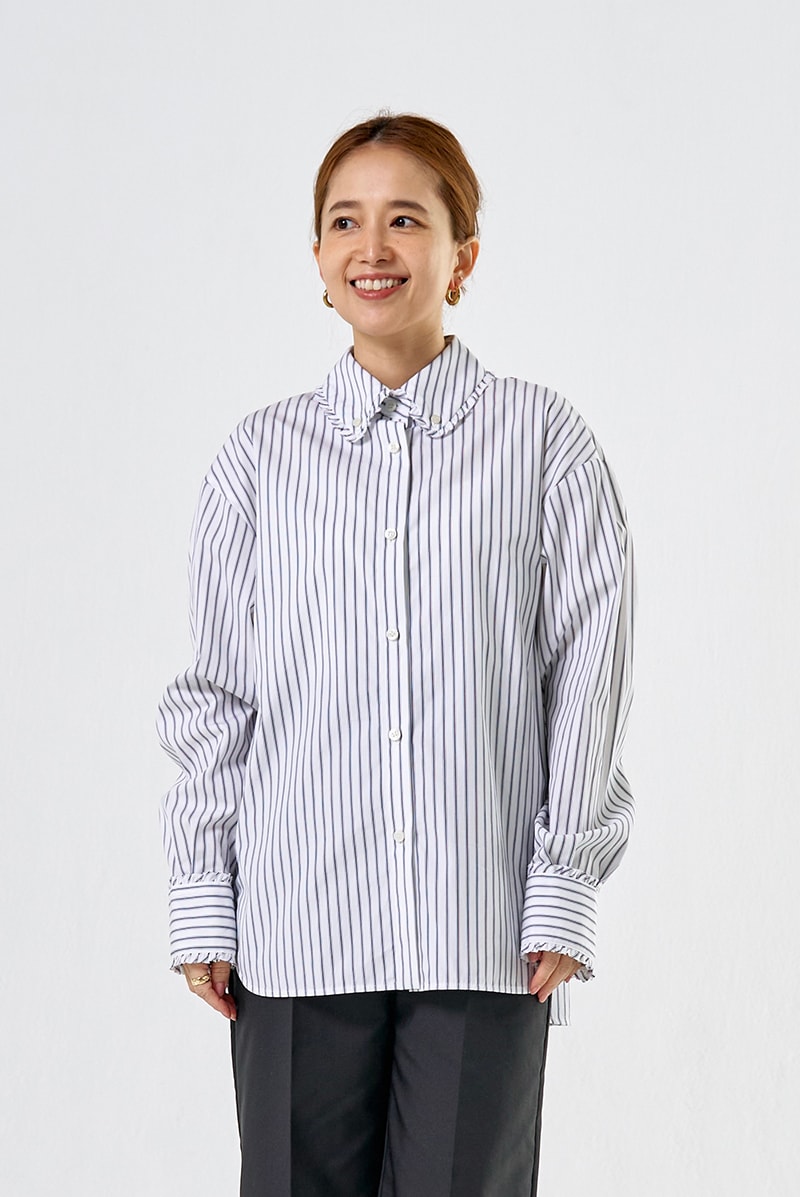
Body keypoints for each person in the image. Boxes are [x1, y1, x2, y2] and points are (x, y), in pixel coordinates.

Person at [157, 112, 635, 1197]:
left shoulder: (542, 442)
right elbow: (216, 698)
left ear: (462, 256)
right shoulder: (257, 460)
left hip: (483, 932)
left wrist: (565, 879)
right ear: (318, 259)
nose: (371, 247)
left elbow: (587, 675)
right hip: (294, 930)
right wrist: (201, 892)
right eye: (345, 222)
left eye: (405, 219)